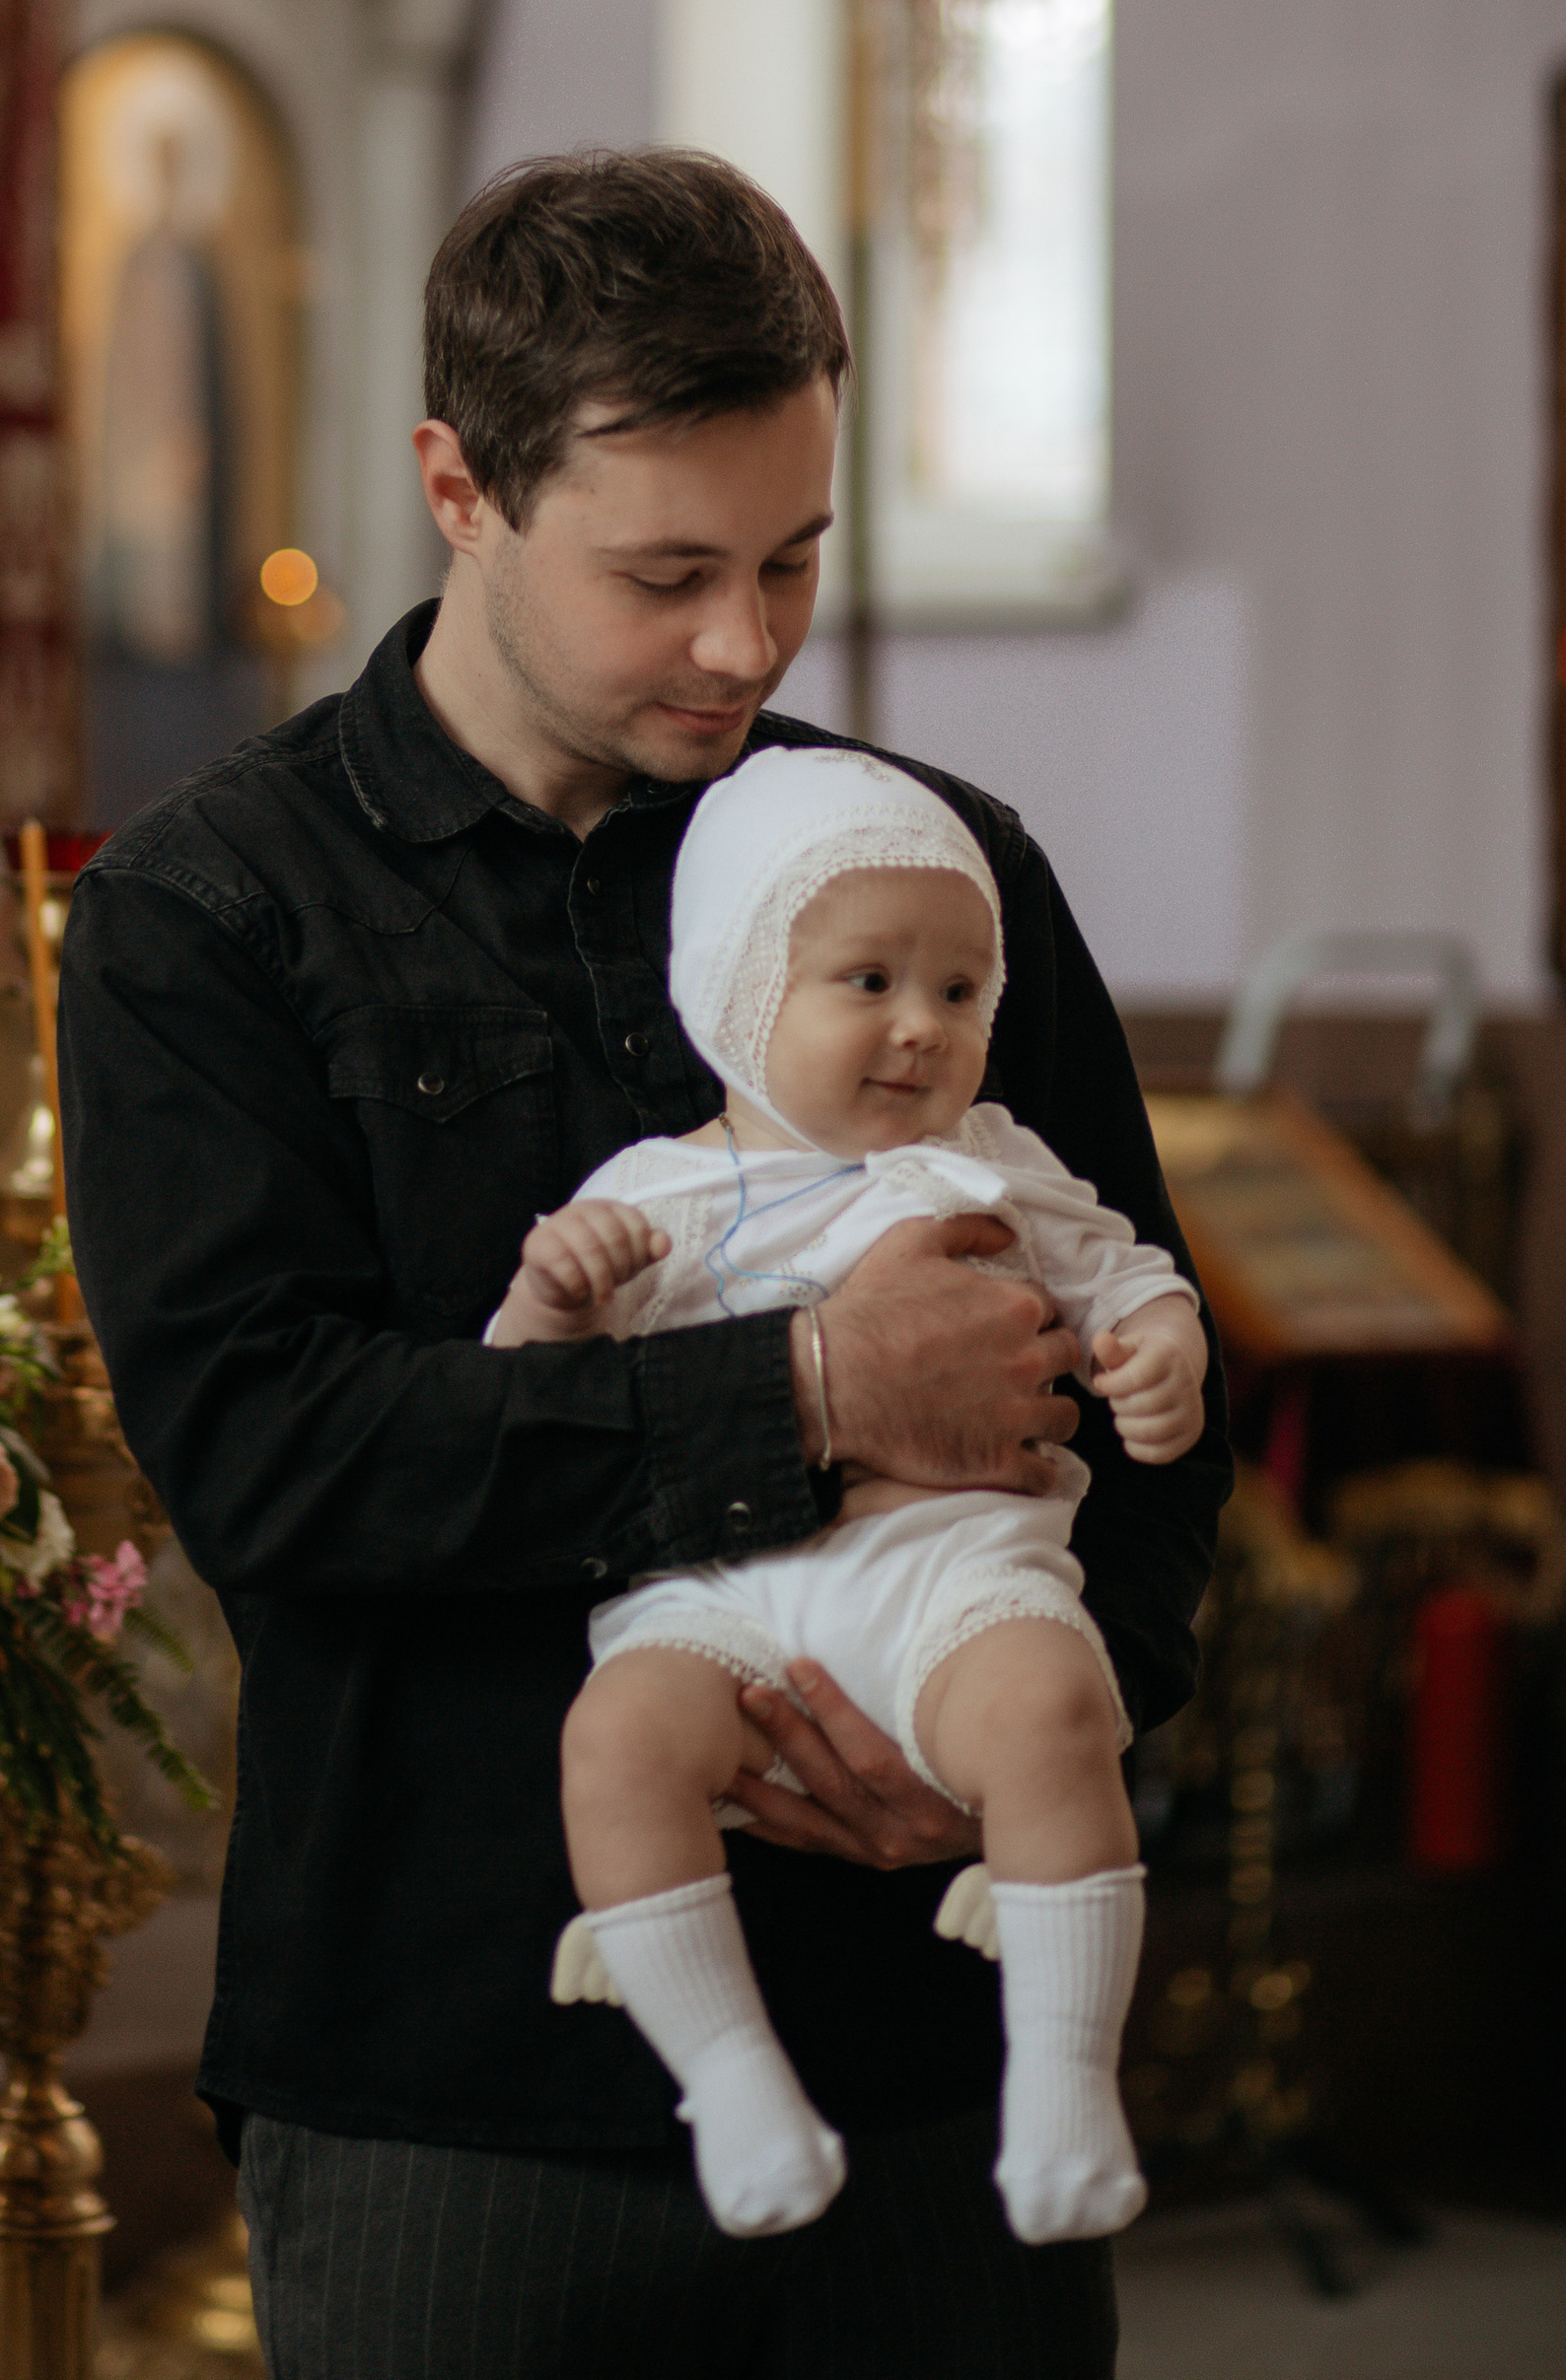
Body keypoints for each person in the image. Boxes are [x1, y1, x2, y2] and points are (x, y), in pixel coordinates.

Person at [58, 149, 1228, 2380]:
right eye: (664, 571)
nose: (744, 642)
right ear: (458, 488)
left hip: (923, 2049)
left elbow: (1155, 1402)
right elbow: (272, 1461)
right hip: (451, 2065)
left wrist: (1044, 1729)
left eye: (791, 558)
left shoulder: (937, 874)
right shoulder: (213, 912)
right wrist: (800, 1394)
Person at [493, 743, 1209, 2248]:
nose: (920, 1031)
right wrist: (555, 1301)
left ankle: (1068, 2082)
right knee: (618, 1745)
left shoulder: (996, 1166)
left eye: (959, 994)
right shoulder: (657, 1194)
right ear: (742, 991)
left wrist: (1160, 1348)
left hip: (952, 1576)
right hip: (719, 1599)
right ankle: (732, 2083)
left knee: (1053, 1716)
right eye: (866, 982)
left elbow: (1130, 1267)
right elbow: (530, 1409)